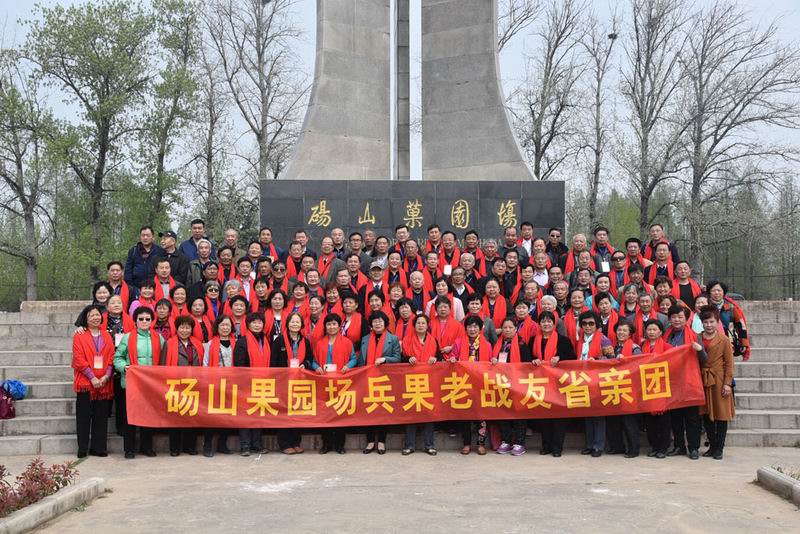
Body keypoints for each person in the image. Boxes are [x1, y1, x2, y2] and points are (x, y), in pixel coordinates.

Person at [114, 307, 166, 459]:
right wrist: (124, 367)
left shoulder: (158, 338)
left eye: (147, 319)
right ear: (135, 321)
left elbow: (165, 359)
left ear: (152, 321)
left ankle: (146, 447)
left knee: (148, 417)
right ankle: (129, 449)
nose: (144, 321)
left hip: (151, 385)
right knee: (130, 417)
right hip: (131, 383)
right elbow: (117, 358)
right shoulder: (128, 337)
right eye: (141, 319)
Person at [530, 310, 575, 457]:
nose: (546, 324)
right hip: (541, 384)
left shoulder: (563, 340)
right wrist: (533, 360)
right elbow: (526, 358)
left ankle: (557, 448)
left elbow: (572, 358)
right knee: (544, 416)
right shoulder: (533, 340)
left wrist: (560, 358)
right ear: (539, 324)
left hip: (558, 384)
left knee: (559, 417)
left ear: (554, 323)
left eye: (549, 321)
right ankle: (546, 446)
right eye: (543, 321)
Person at [72, 304, 115, 458]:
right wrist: (92, 377)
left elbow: (111, 358)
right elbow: (78, 359)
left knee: (101, 417)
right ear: (86, 318)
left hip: (104, 383)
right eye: (91, 315)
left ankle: (99, 448)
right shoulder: (79, 335)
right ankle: (82, 448)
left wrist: (106, 377)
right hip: (86, 383)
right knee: (83, 417)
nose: (95, 317)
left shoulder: (107, 335)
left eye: (97, 315)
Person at [271, 312, 316, 455]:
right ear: (287, 323)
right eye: (292, 321)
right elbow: (273, 362)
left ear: (301, 325)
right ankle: (285, 443)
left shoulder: (305, 341)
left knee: (297, 411)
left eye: (297, 322)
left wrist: (305, 365)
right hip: (283, 382)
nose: (295, 324)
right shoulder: (279, 340)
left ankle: (296, 442)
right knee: (284, 411)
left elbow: (309, 359)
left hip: (299, 382)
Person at [313, 314, 358, 454]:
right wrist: (316, 367)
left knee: (340, 412)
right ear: (325, 327)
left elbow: (354, 358)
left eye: (334, 324)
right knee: (325, 413)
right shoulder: (319, 343)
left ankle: (340, 445)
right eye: (329, 324)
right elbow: (313, 360)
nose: (331, 327)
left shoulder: (347, 342)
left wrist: (348, 366)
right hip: (324, 383)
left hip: (341, 382)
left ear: (339, 326)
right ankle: (326, 444)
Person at [360, 311, 402, 454]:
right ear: (371, 324)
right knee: (369, 409)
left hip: (385, 380)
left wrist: (385, 359)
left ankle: (382, 441)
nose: (377, 324)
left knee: (383, 410)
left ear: (385, 323)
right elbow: (361, 360)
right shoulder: (365, 339)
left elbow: (397, 358)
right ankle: (370, 441)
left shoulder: (393, 339)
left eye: (380, 321)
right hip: (367, 379)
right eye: (375, 321)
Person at [697, 305, 735, 460]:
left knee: (721, 414)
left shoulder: (724, 339)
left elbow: (729, 363)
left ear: (717, 322)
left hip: (719, 380)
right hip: (703, 379)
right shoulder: (698, 338)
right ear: (702, 323)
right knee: (706, 414)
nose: (709, 325)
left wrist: (727, 383)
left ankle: (719, 448)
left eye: (712, 321)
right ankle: (712, 446)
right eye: (706, 322)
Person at [164, 316, 203, 456]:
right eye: (182, 327)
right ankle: (175, 448)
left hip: (193, 384)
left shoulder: (197, 344)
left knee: (191, 416)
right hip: (175, 384)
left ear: (192, 329)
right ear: (177, 328)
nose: (184, 330)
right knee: (175, 417)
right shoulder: (169, 344)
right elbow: (163, 365)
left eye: (187, 328)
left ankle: (190, 446)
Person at [401, 314, 440, 456]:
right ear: (414, 325)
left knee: (429, 413)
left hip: (429, 382)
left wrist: (435, 359)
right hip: (411, 381)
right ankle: (409, 445)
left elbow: (439, 357)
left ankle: (429, 445)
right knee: (410, 412)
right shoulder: (407, 340)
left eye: (423, 323)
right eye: (418, 323)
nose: (421, 325)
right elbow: (401, 359)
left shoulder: (433, 340)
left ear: (427, 325)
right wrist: (408, 358)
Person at [576, 311, 614, 457]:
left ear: (597, 325)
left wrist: (597, 361)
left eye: (591, 323)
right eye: (584, 323)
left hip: (598, 382)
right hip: (583, 380)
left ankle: (598, 445)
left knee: (598, 415)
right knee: (587, 414)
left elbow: (612, 360)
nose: (587, 326)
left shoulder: (603, 340)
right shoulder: (580, 340)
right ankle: (589, 444)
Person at [494, 318, 533, 456]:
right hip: (501, 383)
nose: (507, 330)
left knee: (519, 412)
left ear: (516, 329)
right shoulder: (497, 344)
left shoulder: (522, 345)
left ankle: (519, 442)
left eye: (510, 327)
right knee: (503, 411)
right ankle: (505, 441)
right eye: (505, 327)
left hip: (518, 384)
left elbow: (527, 365)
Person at [233, 313, 271, 456]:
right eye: (254, 322)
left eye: (259, 322)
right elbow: (239, 364)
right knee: (245, 415)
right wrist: (247, 380)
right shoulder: (242, 341)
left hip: (262, 384)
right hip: (246, 384)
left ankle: (257, 444)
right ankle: (245, 446)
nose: (257, 325)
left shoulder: (265, 340)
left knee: (258, 415)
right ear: (248, 325)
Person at [606, 320, 642, 459]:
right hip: (614, 388)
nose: (621, 333)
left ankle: (633, 448)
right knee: (613, 419)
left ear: (630, 333)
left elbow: (639, 366)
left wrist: (626, 360)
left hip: (629, 388)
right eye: (619, 330)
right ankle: (617, 446)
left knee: (629, 420)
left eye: (624, 330)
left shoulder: (635, 348)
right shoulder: (613, 347)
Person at [202, 315, 235, 457]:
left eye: (228, 325)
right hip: (214, 384)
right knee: (212, 415)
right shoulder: (210, 344)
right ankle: (207, 445)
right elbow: (205, 363)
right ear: (217, 327)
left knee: (227, 415)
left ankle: (222, 444)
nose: (225, 328)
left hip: (231, 384)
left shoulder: (236, 343)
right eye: (222, 325)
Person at [707, 280, 750, 361]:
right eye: (713, 290)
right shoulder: (706, 306)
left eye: (719, 290)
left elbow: (741, 326)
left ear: (723, 292)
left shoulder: (731, 307)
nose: (716, 293)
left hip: (729, 342)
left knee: (727, 364)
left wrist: (744, 343)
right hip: (710, 341)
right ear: (709, 292)